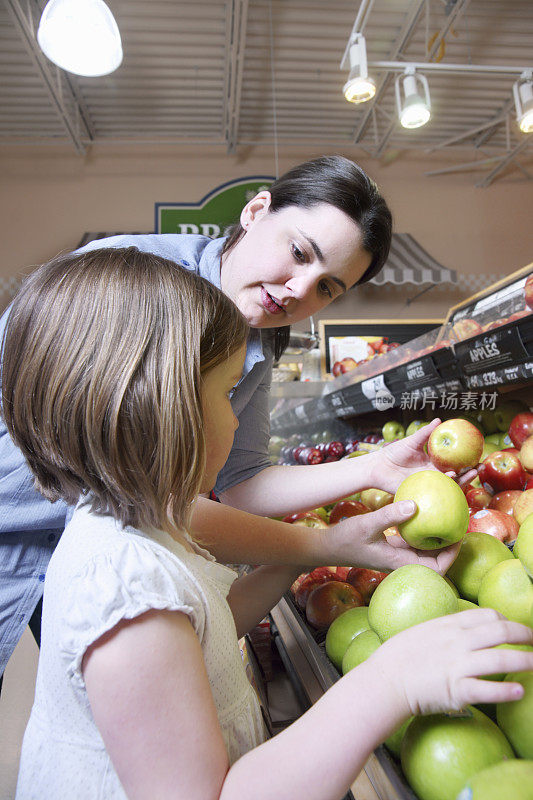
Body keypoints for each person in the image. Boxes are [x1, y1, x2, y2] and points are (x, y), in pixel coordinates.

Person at [4, 248, 533, 799]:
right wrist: (389, 682)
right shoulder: (123, 585)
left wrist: (312, 551)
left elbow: (206, 630)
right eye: (225, 391)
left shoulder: (125, 519)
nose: (236, 416)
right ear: (160, 406)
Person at [0, 155, 467, 683]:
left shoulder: (257, 340)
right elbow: (152, 495)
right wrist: (324, 545)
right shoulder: (136, 291)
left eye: (327, 288)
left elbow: (240, 482)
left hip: (68, 547)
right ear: (255, 210)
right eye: (298, 252)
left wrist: (373, 468)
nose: (299, 290)